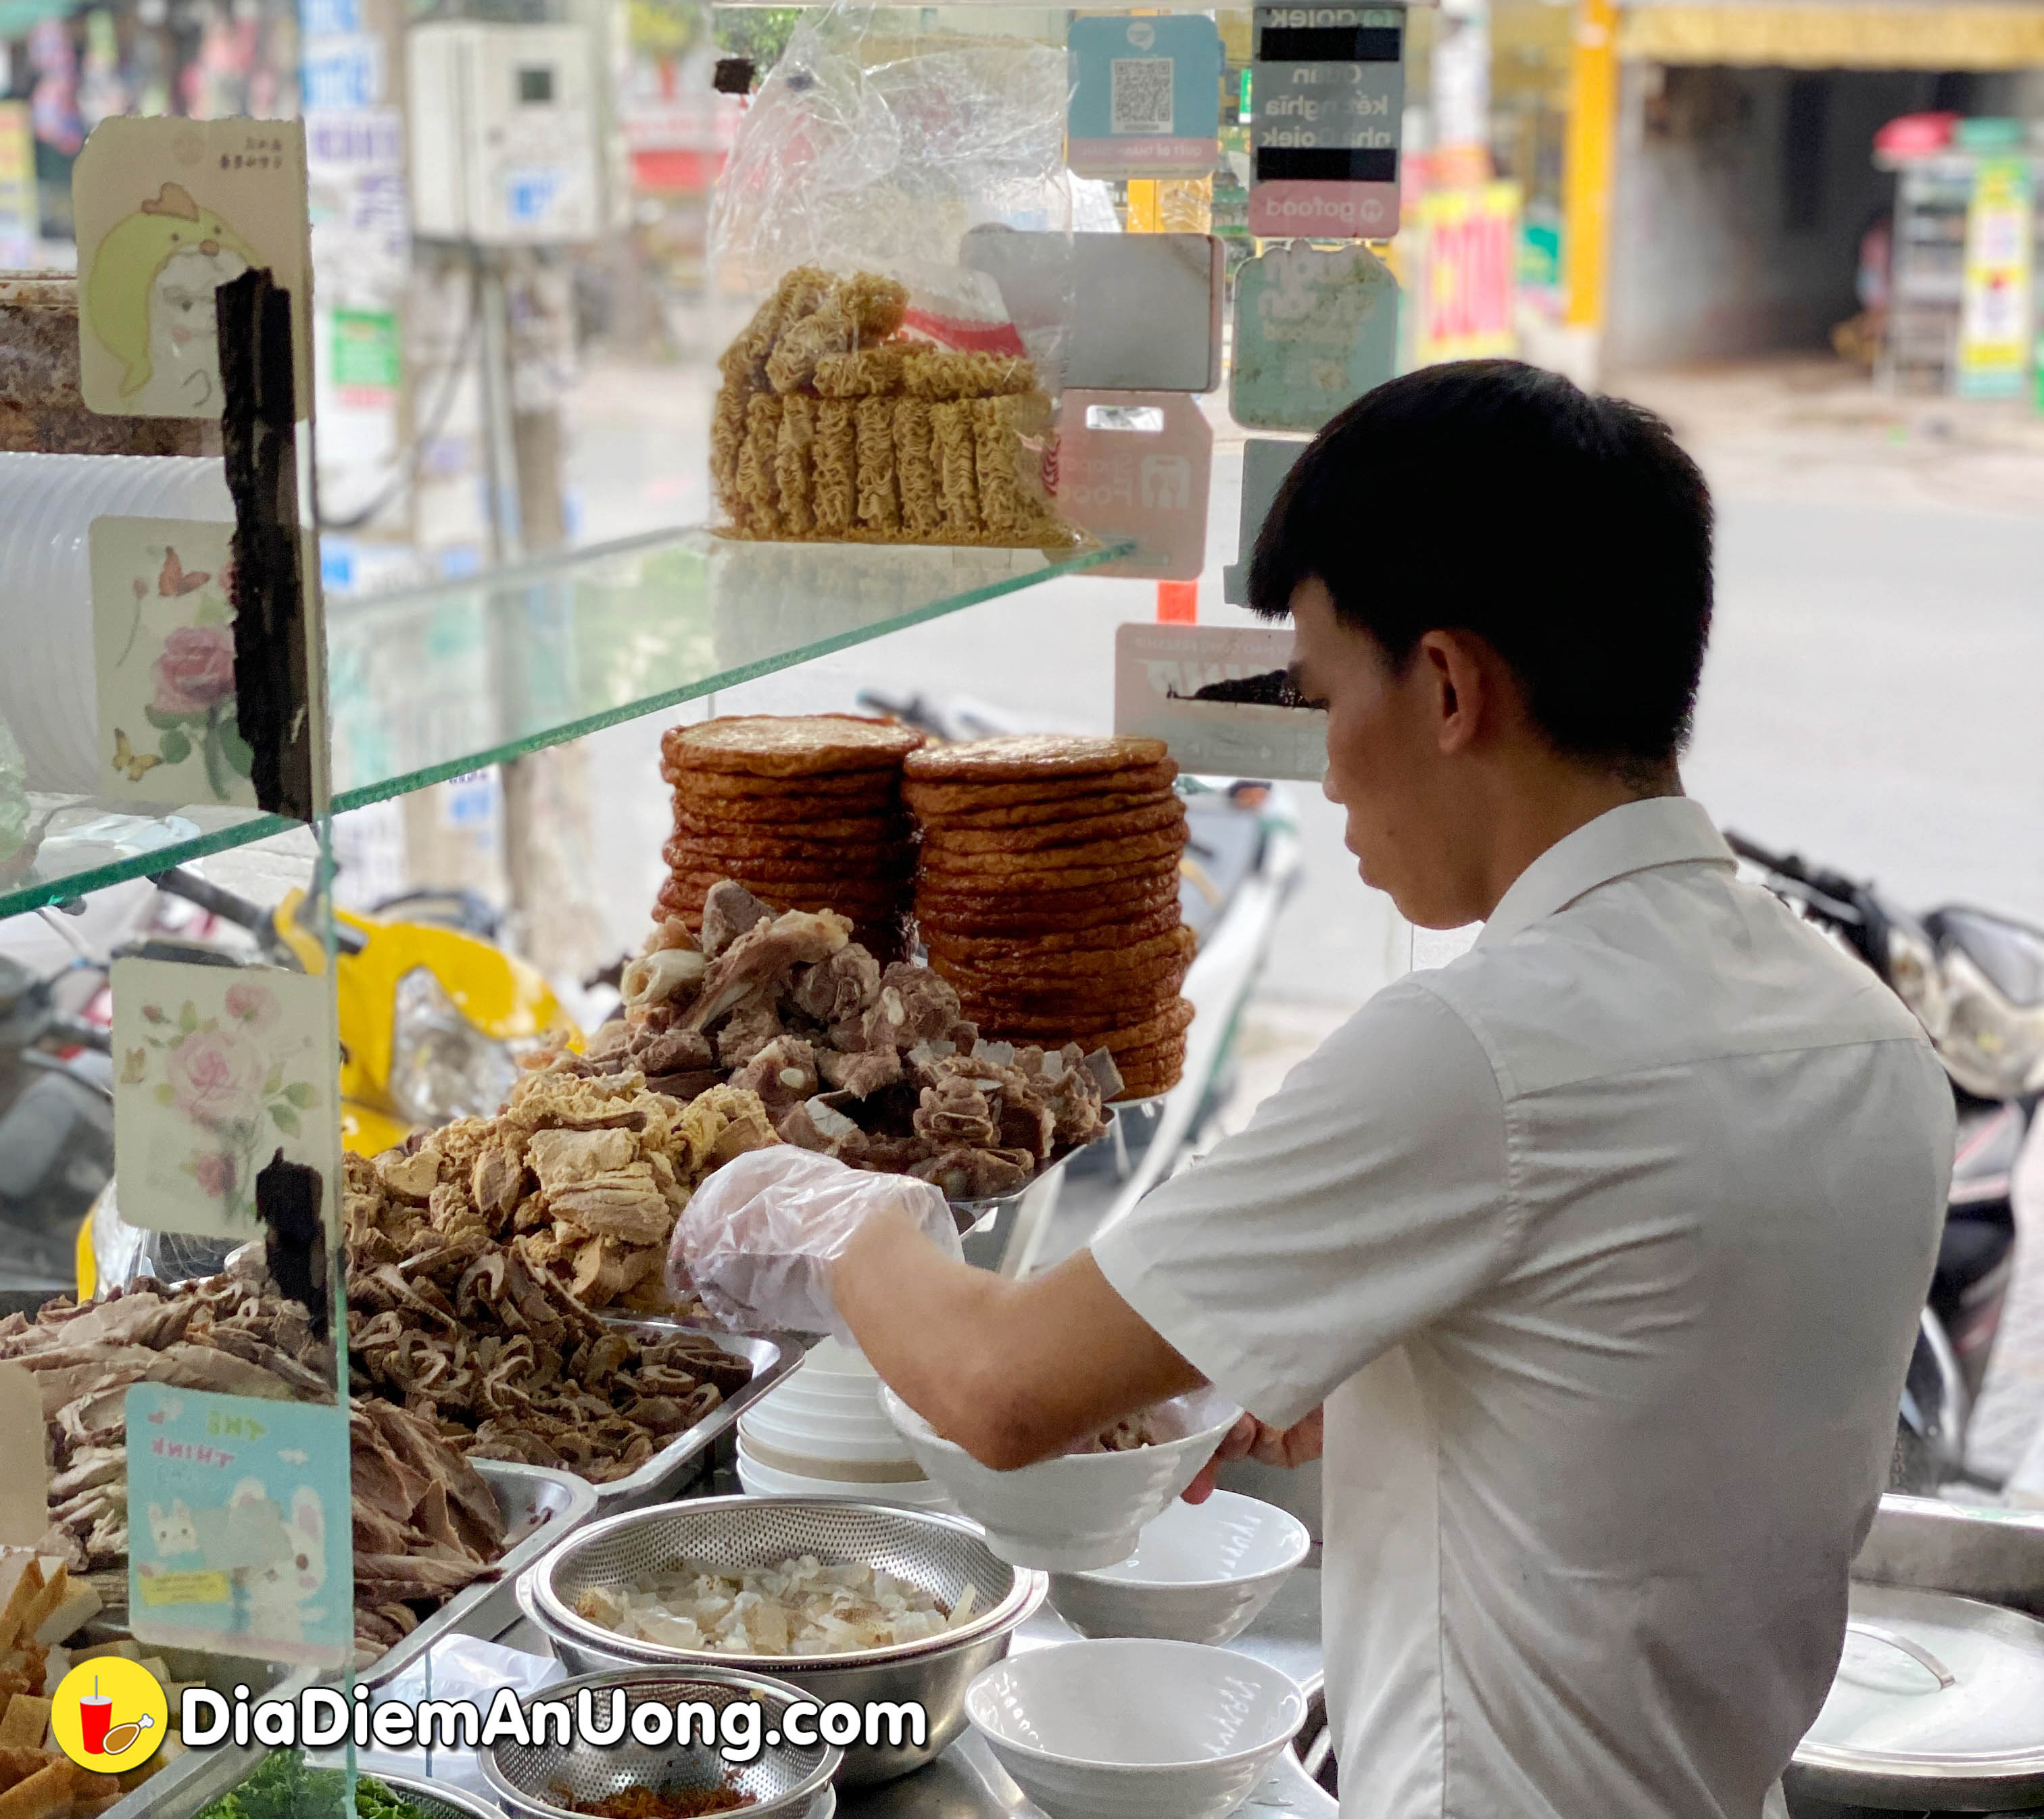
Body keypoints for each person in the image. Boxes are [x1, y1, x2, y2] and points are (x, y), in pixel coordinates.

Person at [683, 361, 1953, 1819]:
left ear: (1454, 686)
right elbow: (1670, 1381)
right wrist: (1393, 1374)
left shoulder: (1481, 1052)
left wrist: (827, 1217)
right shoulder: (1865, 1036)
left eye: (1326, 691)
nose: (1322, 765)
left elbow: (1000, 1387)